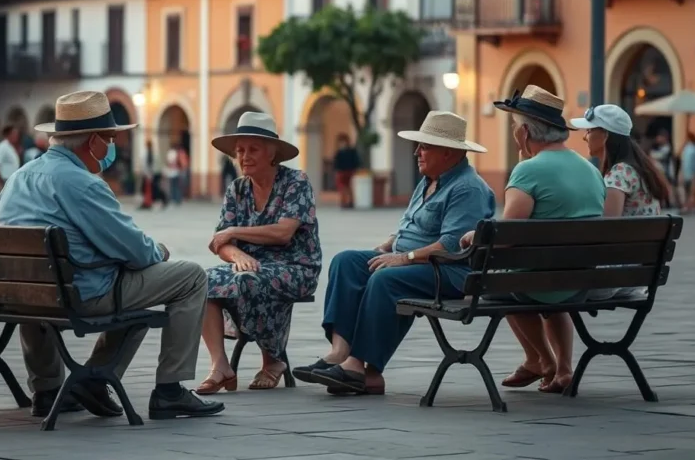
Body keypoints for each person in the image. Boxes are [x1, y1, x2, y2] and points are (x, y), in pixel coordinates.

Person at [0, 91, 224, 420]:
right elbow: (134, 251)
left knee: (39, 280)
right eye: (110, 138)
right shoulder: (83, 184)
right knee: (190, 277)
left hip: (23, 294)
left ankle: (47, 390)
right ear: (93, 142)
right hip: (80, 294)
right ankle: (168, 390)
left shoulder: (18, 178)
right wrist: (157, 250)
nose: (113, 146)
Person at [293, 111, 494, 395]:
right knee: (346, 262)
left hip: (450, 272)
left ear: (448, 152)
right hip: (417, 263)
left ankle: (362, 368)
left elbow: (450, 246)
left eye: (424, 146)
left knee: (386, 279)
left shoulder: (467, 188)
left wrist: (404, 258)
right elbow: (412, 224)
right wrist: (391, 244)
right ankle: (340, 353)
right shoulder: (430, 179)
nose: (417, 152)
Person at [459, 85, 606, 395]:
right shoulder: (590, 170)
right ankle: (563, 369)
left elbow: (506, 235)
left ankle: (539, 359)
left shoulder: (527, 171)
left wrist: (476, 236)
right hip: (581, 279)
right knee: (540, 281)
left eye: (515, 129)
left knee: (497, 281)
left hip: (542, 280)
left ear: (524, 133)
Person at [198, 112, 321, 394]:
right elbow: (220, 241)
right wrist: (236, 255)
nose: (244, 157)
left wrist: (234, 233)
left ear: (272, 153)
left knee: (248, 281)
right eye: (240, 150)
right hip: (252, 265)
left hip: (297, 265)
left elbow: (283, 232)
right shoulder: (237, 188)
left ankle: (272, 359)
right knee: (200, 281)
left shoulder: (295, 182)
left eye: (253, 149)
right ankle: (220, 365)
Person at [571, 103, 671, 300]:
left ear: (606, 135)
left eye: (589, 131)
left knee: (545, 285)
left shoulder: (619, 174)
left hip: (613, 279)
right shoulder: (641, 170)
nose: (585, 136)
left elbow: (607, 229)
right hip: (637, 275)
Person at [0, 124, 21, 223]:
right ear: (8, 134)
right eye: (14, 134)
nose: (16, 136)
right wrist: (0, 180)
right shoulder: (2, 146)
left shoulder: (11, 147)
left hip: (9, 181)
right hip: (3, 180)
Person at [679, 132, 695, 214]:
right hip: (686, 171)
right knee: (685, 190)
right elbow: (681, 158)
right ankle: (686, 207)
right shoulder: (686, 147)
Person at [332, 134, 360, 208]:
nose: (342, 143)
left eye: (343, 141)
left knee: (349, 187)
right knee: (342, 188)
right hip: (341, 172)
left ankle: (350, 202)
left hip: (350, 172)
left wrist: (355, 169)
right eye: (341, 142)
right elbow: (335, 163)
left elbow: (356, 161)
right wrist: (336, 171)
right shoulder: (338, 152)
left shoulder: (352, 151)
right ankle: (343, 202)